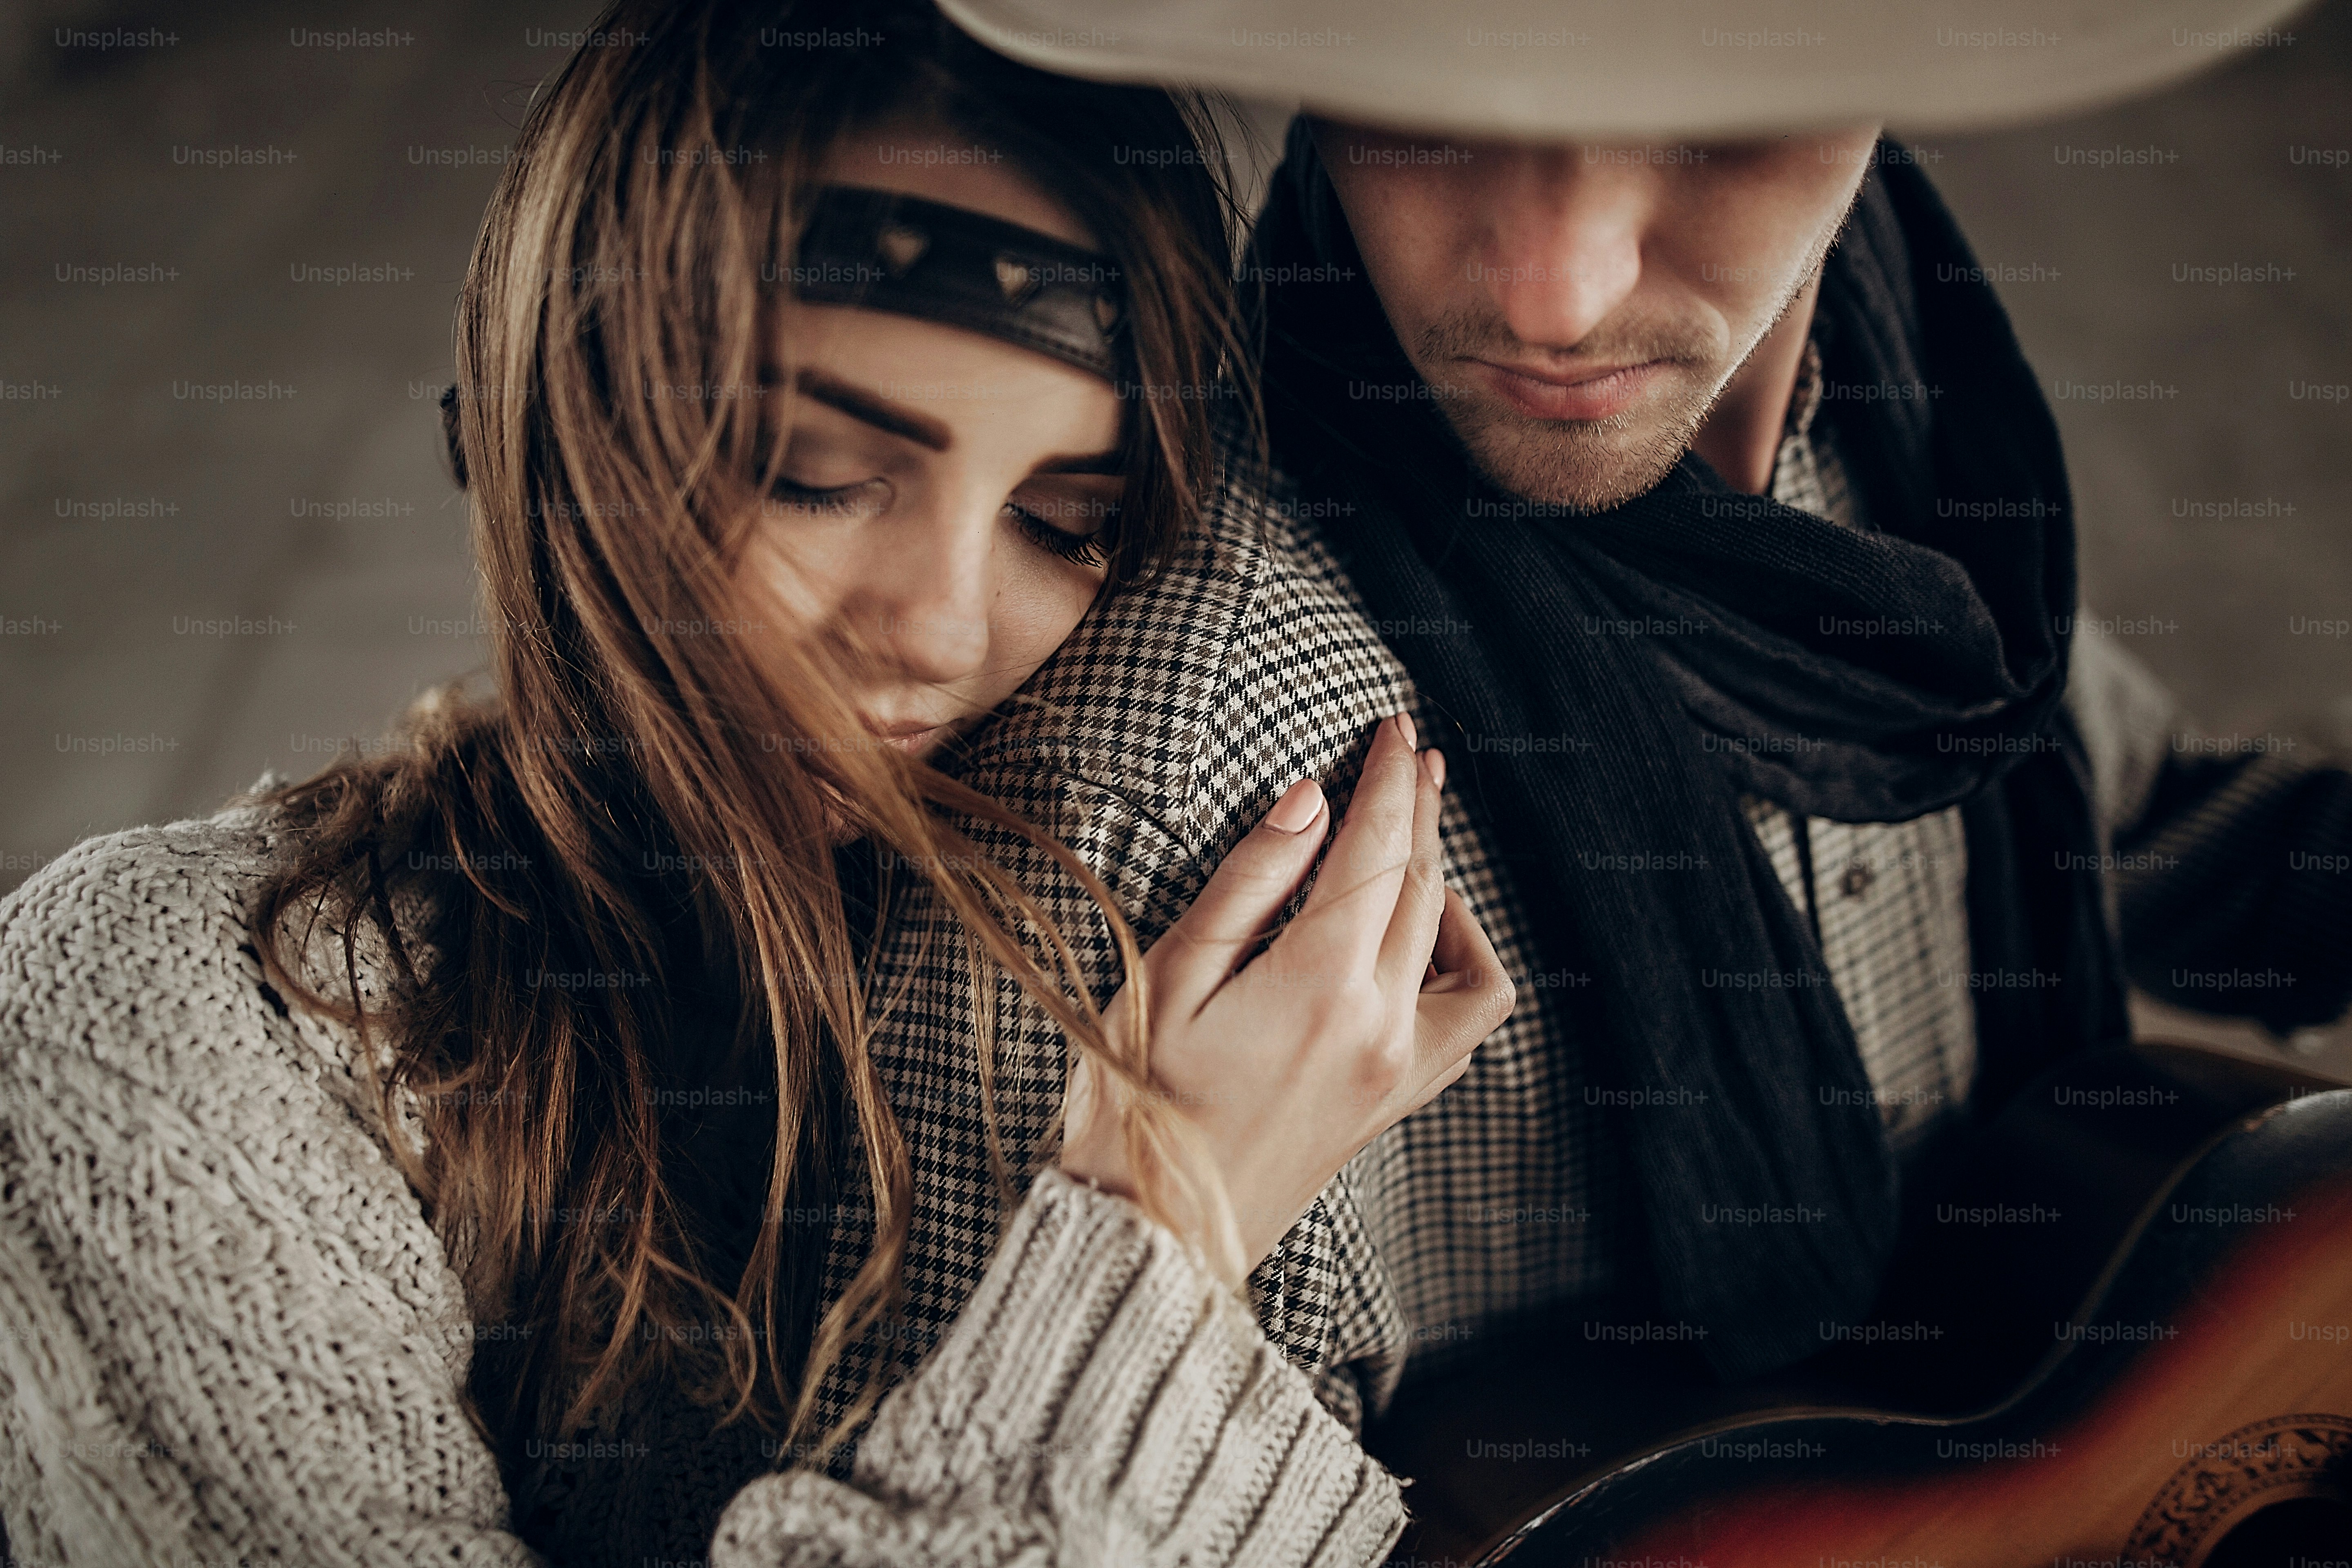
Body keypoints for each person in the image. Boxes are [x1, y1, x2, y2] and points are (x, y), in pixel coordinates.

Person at [0, 3, 1511, 1565]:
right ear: (561, 425)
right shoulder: (159, 1007)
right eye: (815, 471)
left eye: (1063, 521)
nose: (939, 626)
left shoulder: (1080, 923)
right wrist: (1156, 1249)